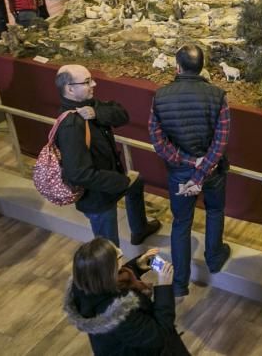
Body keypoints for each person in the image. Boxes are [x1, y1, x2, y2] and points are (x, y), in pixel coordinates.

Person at [149, 45, 231, 298]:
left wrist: (188, 163)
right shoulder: (217, 95)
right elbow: (221, 139)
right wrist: (203, 167)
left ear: (177, 67)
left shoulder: (161, 96)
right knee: (215, 210)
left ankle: (179, 283)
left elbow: (157, 139)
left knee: (181, 224)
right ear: (202, 66)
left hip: (180, 173)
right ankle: (214, 257)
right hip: (212, 172)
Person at [53, 64, 161, 247]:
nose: (94, 84)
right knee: (109, 250)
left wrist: (97, 113)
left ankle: (139, 229)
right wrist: (119, 182)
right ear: (70, 89)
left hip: (110, 180)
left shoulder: (88, 105)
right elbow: (78, 173)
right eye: (87, 82)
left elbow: (121, 114)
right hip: (97, 197)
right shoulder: (71, 126)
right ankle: (114, 274)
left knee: (137, 183)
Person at [64, 237, 189, 355]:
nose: (120, 250)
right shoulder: (120, 315)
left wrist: (137, 265)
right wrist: (164, 287)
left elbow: (114, 281)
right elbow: (160, 335)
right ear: (109, 271)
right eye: (118, 256)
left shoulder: (85, 284)